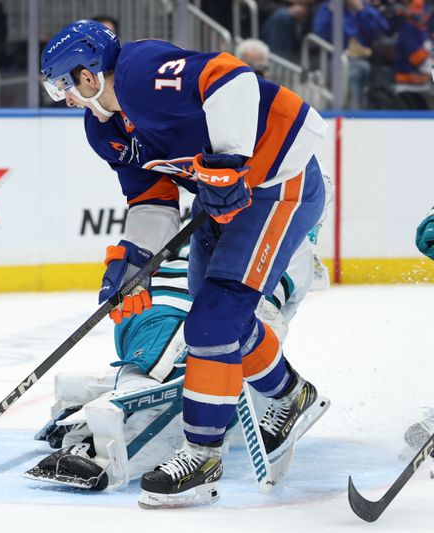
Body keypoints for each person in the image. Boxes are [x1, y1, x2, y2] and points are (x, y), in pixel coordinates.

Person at [39, 20, 329, 507]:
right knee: (214, 318)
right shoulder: (102, 130)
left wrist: (231, 161)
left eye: (61, 85)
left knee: (214, 322)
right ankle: (290, 395)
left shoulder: (137, 72)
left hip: (279, 183)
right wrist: (133, 262)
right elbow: (152, 200)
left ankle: (202, 457)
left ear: (88, 75)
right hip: (225, 201)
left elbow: (230, 77)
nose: (62, 97)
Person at [25, 220, 329, 493]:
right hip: (177, 311)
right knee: (166, 390)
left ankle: (87, 417)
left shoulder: (213, 208)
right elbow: (263, 308)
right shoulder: (292, 238)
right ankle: (95, 450)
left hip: (148, 308)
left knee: (156, 375)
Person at [312, 0, 390, 109]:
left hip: (369, 60)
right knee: (356, 69)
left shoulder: (364, 8)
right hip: (335, 60)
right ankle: (353, 112)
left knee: (368, 69)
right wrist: (332, 13)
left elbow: (380, 32)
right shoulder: (327, 9)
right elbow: (320, 35)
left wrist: (361, 10)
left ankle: (366, 110)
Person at [393, 0, 432, 110]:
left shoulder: (423, 30)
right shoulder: (408, 29)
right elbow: (415, 58)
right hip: (407, 87)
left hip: (423, 88)